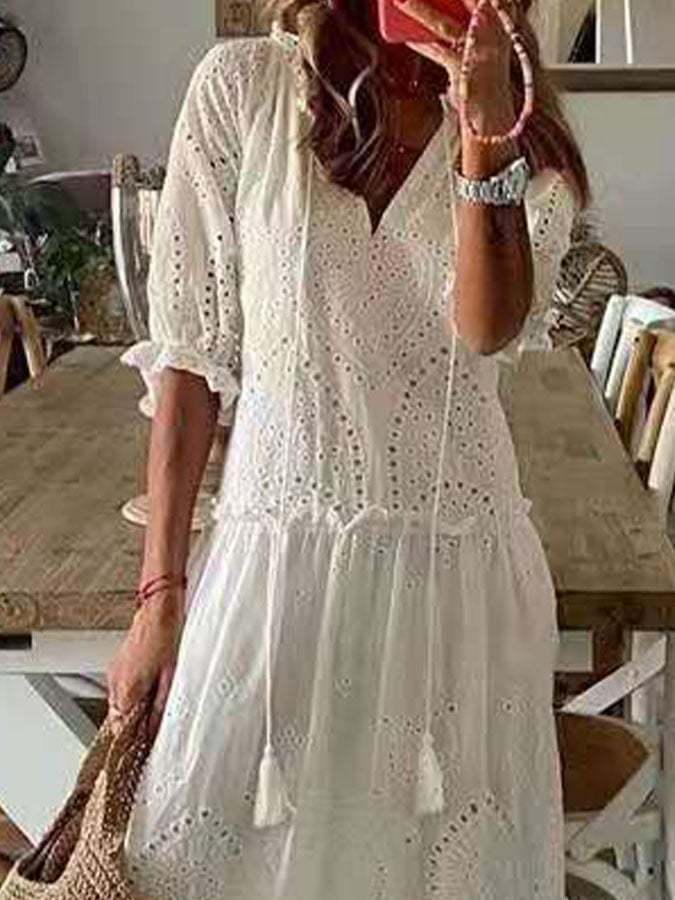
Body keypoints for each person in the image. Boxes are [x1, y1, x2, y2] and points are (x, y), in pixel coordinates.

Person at [113, 0, 590, 896]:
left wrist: (482, 128)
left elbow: (484, 329)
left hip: (456, 579)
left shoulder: (521, 123)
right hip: (271, 570)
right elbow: (190, 358)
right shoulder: (245, 89)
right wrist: (159, 594)